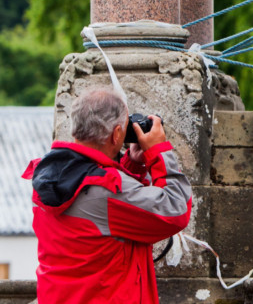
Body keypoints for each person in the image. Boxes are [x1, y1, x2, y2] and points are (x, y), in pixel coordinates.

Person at [22, 87, 192, 304]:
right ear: (116, 134)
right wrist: (159, 152)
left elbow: (112, 218)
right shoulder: (107, 190)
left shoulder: (47, 176)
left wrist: (132, 165)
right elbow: (176, 208)